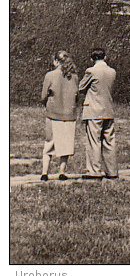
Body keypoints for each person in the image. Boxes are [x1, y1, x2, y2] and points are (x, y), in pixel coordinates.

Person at [78, 48, 118, 180]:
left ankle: (94, 171)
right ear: (105, 57)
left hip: (94, 110)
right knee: (109, 140)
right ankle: (112, 171)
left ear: (92, 59)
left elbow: (81, 87)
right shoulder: (112, 71)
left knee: (94, 141)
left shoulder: (91, 71)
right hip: (108, 109)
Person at [40, 50, 80, 181]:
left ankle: (44, 173)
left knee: (49, 143)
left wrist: (47, 103)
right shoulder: (74, 77)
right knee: (66, 144)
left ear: (56, 61)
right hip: (69, 115)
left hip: (53, 114)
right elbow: (77, 97)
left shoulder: (50, 75)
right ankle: (62, 172)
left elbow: (43, 96)